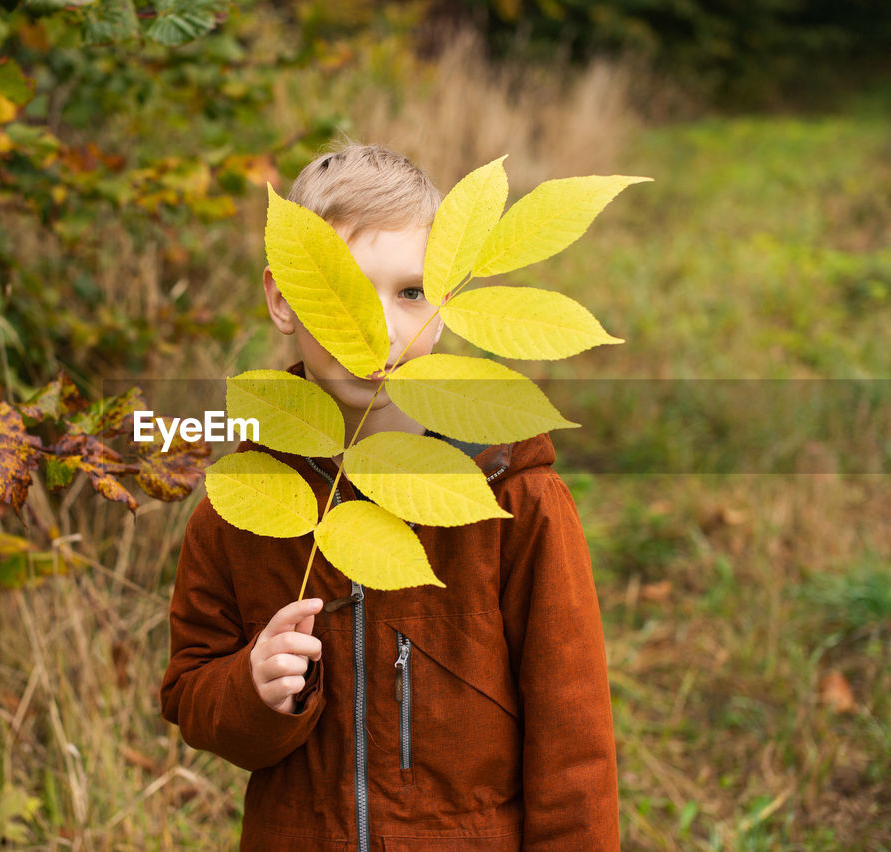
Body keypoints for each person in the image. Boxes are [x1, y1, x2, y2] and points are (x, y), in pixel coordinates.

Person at [160, 144, 619, 851]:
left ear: (443, 307)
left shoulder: (514, 497)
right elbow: (192, 694)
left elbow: (574, 739)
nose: (378, 329)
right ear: (283, 299)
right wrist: (252, 688)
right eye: (342, 292)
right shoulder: (244, 501)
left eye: (410, 293)